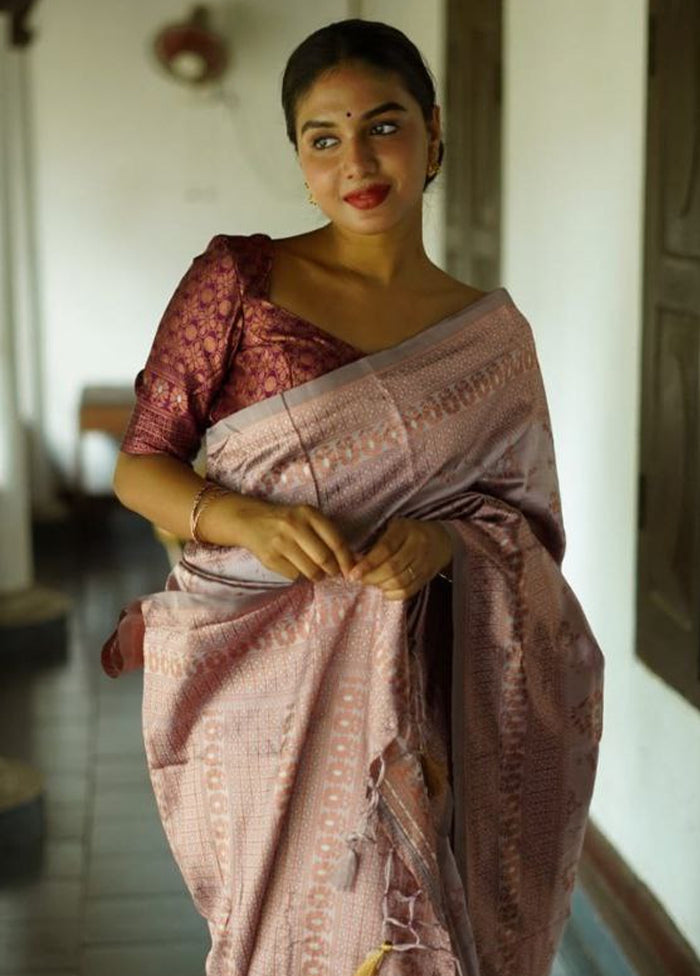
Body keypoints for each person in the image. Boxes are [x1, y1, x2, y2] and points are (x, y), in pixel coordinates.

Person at [106, 18, 604, 976]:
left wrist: (446, 546)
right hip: (257, 684)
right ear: (297, 156)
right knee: (288, 934)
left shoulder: (489, 338)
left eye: (383, 126)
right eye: (322, 138)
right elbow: (143, 464)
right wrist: (243, 517)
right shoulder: (240, 283)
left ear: (433, 133)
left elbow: (529, 528)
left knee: (410, 934)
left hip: (434, 693)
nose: (356, 160)